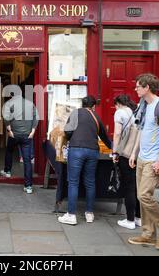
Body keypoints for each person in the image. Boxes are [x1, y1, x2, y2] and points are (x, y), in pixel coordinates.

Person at [128, 73, 159, 250]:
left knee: (144, 195)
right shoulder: (143, 105)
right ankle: (148, 234)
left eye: (138, 86)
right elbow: (141, 131)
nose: (135, 88)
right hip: (141, 158)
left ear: (147, 87)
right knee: (143, 197)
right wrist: (134, 153)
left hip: (153, 159)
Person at [57, 95, 112, 225]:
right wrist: (114, 149)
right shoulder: (96, 116)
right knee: (90, 182)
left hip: (76, 150)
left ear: (82, 104)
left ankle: (71, 215)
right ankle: (89, 213)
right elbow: (104, 136)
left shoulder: (76, 112)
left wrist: (73, 137)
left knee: (73, 182)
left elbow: (68, 130)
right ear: (93, 106)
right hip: (93, 151)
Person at [1, 84, 39, 194]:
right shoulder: (30, 103)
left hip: (14, 134)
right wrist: (33, 131)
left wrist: (9, 131)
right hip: (27, 135)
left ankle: (7, 171)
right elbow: (36, 118)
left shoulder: (8, 103)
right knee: (27, 160)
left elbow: (6, 119)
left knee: (9, 150)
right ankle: (28, 187)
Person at [112, 94, 141, 230]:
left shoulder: (120, 113)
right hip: (138, 152)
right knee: (136, 187)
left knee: (128, 187)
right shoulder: (136, 111)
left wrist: (114, 151)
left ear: (118, 103)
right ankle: (138, 218)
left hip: (126, 153)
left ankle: (129, 220)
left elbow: (117, 133)